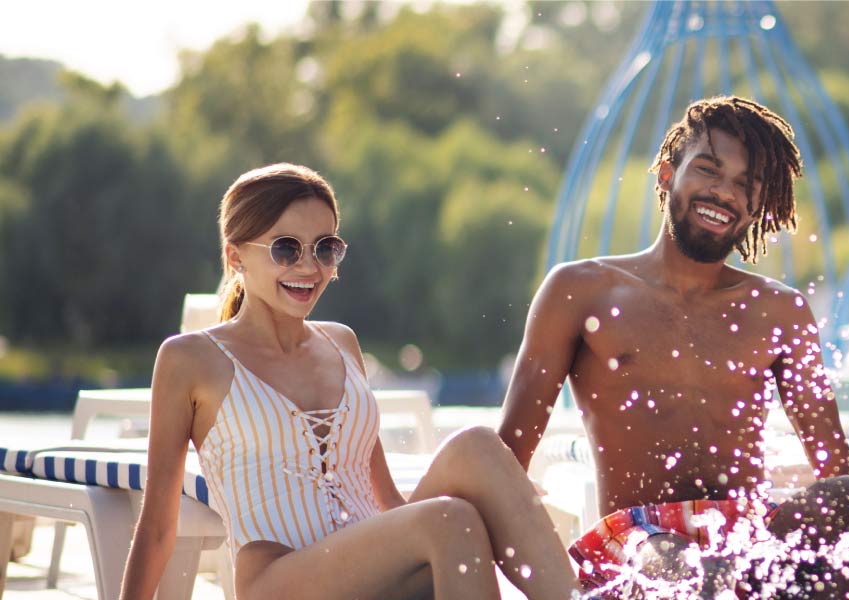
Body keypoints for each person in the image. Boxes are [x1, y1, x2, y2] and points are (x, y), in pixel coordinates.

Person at [498, 96, 849, 598]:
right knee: (696, 570)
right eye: (708, 170)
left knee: (848, 497)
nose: (724, 193)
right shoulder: (581, 291)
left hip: (747, 536)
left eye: (746, 185)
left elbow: (835, 459)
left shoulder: (778, 311)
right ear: (666, 173)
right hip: (638, 541)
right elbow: (504, 466)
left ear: (758, 205)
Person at [122, 164, 573, 599]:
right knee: (450, 519)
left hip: (370, 567)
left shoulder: (341, 343)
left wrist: (499, 505)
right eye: (285, 248)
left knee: (476, 446)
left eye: (325, 248)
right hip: (279, 579)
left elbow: (386, 499)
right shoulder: (189, 358)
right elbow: (160, 526)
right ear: (235, 256)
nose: (308, 267)